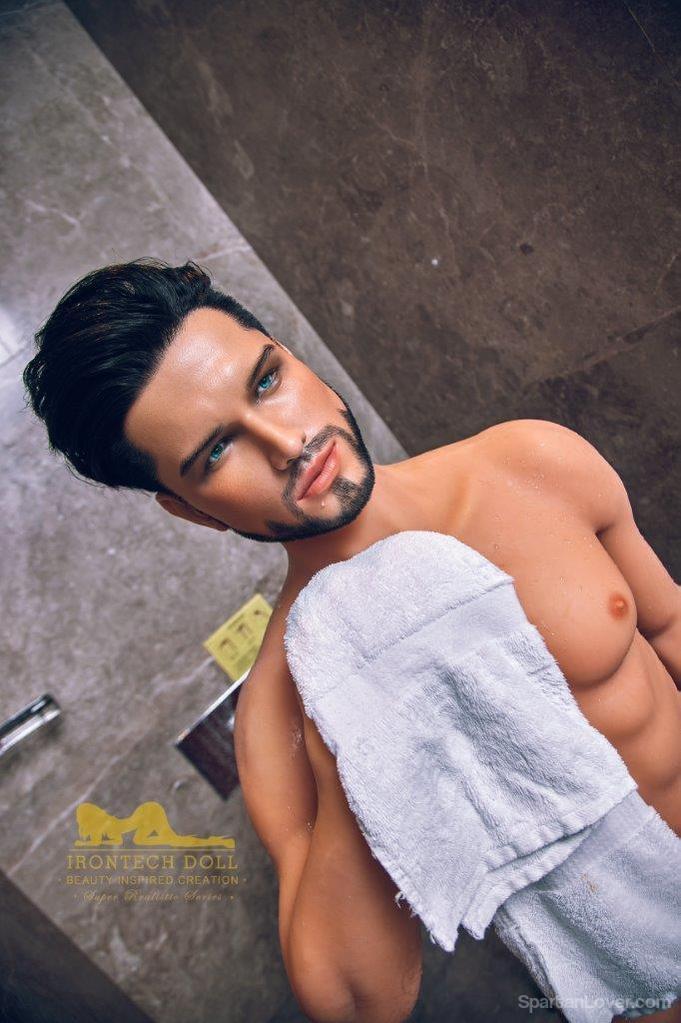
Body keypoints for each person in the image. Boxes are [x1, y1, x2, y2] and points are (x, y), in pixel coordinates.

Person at [23, 258, 681, 1023]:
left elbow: (666, 623)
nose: (286, 442)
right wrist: (358, 743)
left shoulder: (529, 463)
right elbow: (355, 1003)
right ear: (193, 510)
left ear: (294, 359)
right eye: (217, 451)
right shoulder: (280, 708)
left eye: (266, 380)